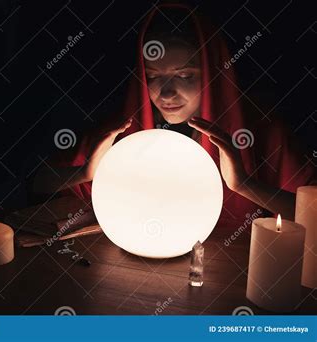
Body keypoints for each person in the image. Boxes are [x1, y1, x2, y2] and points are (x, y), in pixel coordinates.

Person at [30, 4, 315, 223]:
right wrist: (85, 172)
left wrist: (243, 185)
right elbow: (36, 182)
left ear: (214, 75)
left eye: (185, 76)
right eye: (154, 76)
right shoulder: (125, 132)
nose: (165, 94)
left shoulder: (260, 129)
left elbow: (311, 214)